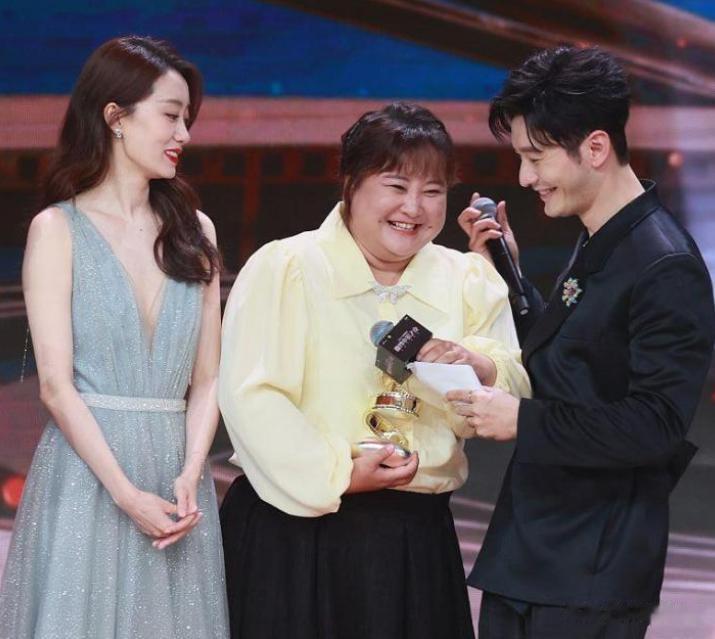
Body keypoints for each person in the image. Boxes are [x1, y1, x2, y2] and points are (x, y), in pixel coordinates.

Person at [218, 102, 531, 639]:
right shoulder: (286, 267)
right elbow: (253, 397)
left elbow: (513, 384)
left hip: (413, 540)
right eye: (396, 186)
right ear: (351, 183)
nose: (414, 208)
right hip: (296, 530)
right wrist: (338, 473)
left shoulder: (467, 279)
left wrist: (476, 365)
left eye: (433, 191)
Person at [449, 45, 715, 639]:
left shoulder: (665, 264)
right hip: (533, 552)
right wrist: (512, 276)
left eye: (535, 157)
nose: (525, 178)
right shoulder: (604, 235)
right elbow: (569, 363)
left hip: (591, 572)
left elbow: (655, 425)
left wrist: (520, 419)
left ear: (595, 148)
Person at [0, 36, 229, 638]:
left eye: (187, 119)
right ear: (115, 117)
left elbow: (208, 379)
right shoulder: (57, 230)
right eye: (171, 116)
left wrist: (190, 470)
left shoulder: (197, 232)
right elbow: (56, 387)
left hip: (177, 483)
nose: (184, 134)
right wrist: (127, 494)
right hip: (88, 477)